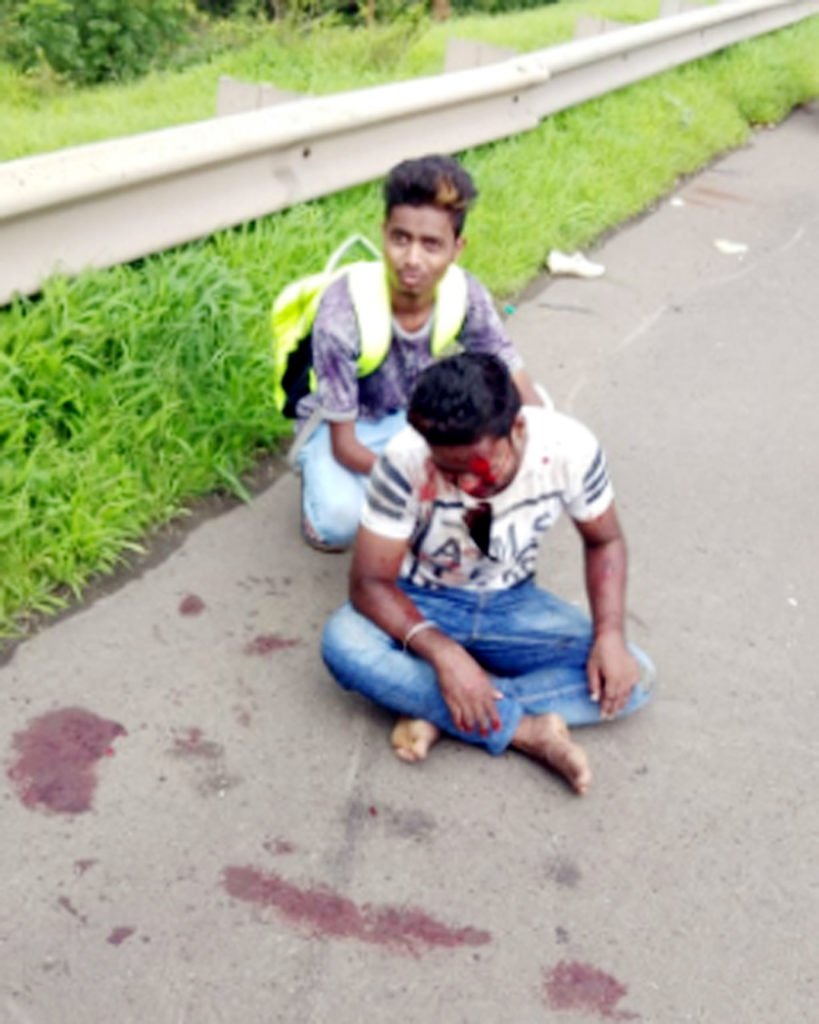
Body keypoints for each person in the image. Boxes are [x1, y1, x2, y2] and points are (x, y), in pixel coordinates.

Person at [321, 353, 655, 795]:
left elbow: (604, 541)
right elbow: (368, 584)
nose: (466, 487)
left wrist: (610, 635)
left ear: (517, 428)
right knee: (344, 642)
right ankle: (525, 729)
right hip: (422, 599)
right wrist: (444, 655)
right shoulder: (404, 459)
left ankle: (440, 709)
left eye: (479, 468)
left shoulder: (569, 448)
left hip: (512, 604)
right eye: (449, 471)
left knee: (634, 676)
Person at [293, 154, 542, 552]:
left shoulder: (464, 292)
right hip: (344, 426)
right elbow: (345, 445)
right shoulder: (342, 313)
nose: (412, 259)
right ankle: (316, 480)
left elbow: (511, 372)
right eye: (400, 239)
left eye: (431, 245)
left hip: (412, 417)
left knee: (526, 420)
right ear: (384, 234)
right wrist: (433, 485)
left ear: (457, 248)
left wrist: (535, 448)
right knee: (339, 523)